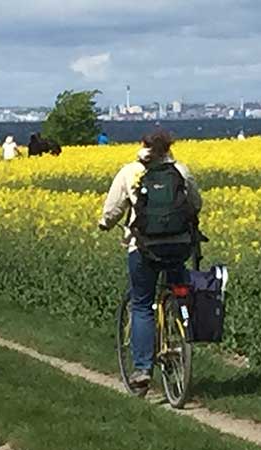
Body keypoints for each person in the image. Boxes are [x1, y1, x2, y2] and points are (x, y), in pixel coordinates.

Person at [98, 130, 202, 391]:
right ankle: (178, 332)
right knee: (179, 290)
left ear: (142, 146)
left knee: (142, 304)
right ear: (169, 147)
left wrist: (105, 223)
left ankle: (143, 369)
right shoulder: (181, 171)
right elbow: (196, 204)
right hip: (178, 246)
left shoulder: (131, 172)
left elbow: (113, 209)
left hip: (144, 248)